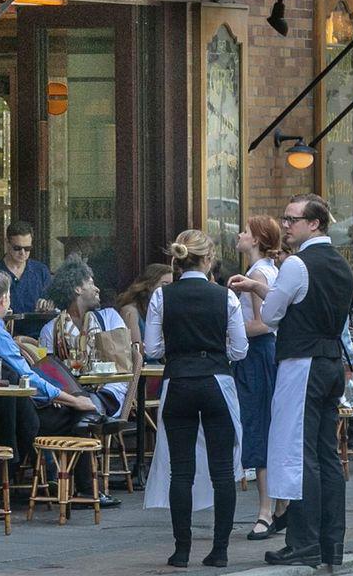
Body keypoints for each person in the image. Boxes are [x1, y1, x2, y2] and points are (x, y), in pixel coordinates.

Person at [229, 194, 353, 570]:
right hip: (331, 361)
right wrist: (258, 288)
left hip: (302, 364)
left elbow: (272, 315)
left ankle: (305, 542)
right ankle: (330, 543)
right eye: (285, 219)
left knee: (300, 455)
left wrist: (260, 295)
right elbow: (299, 304)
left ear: (314, 224)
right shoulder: (341, 264)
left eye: (292, 219)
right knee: (326, 456)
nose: (285, 225)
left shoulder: (298, 264)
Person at [0, 270, 112, 506]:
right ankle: (84, 489)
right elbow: (28, 379)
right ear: (4, 299)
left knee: (76, 409)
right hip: (9, 415)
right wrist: (71, 399)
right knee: (78, 413)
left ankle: (64, 479)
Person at [144, 230, 247, 569]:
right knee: (222, 470)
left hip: (178, 380)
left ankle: (181, 549)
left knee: (181, 471)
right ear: (209, 259)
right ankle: (219, 550)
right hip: (217, 378)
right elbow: (240, 349)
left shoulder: (162, 296)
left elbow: (153, 350)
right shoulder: (225, 297)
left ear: (177, 258)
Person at [235, 217, 285, 540]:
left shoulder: (256, 274)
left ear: (256, 240)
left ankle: (265, 511)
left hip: (256, 354)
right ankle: (279, 508)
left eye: (245, 232)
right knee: (267, 426)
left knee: (258, 426)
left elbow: (262, 323)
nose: (240, 235)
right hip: (266, 355)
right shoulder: (270, 270)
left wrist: (227, 332)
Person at [38, 257, 132, 412]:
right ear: (77, 289)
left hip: (108, 391)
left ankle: (88, 415)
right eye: (90, 283)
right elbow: (48, 374)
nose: (97, 289)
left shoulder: (110, 317)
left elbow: (122, 364)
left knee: (88, 405)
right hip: (69, 396)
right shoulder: (50, 330)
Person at [0, 220, 53, 318]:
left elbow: (52, 301)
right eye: (17, 248)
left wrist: (48, 304)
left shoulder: (41, 271)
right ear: (7, 242)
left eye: (27, 248)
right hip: (3, 330)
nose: (22, 253)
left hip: (38, 330)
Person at [117, 263, 175, 345]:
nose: (169, 289)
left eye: (171, 285)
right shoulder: (130, 311)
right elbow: (136, 349)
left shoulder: (164, 309)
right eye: (164, 284)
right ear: (150, 285)